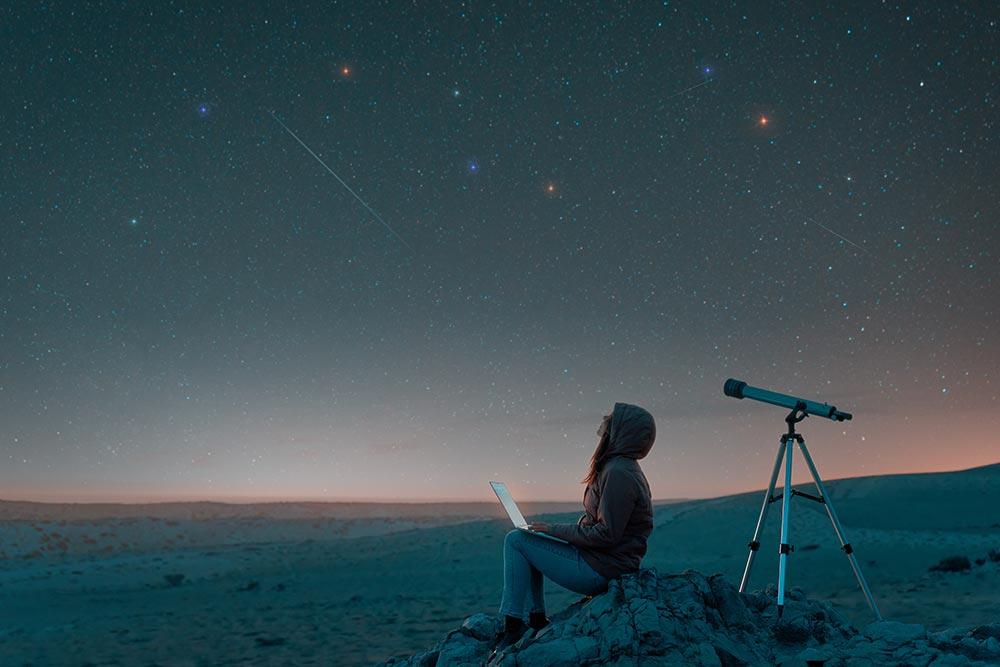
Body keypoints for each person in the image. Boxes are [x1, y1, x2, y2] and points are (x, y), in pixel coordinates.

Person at [491, 402, 656, 659]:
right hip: (602, 561)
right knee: (529, 540)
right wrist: (552, 533)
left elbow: (606, 535)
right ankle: (535, 620)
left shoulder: (619, 473)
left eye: (611, 419)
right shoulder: (619, 468)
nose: (604, 420)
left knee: (516, 540)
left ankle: (514, 626)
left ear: (622, 431)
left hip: (602, 569)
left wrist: (554, 529)